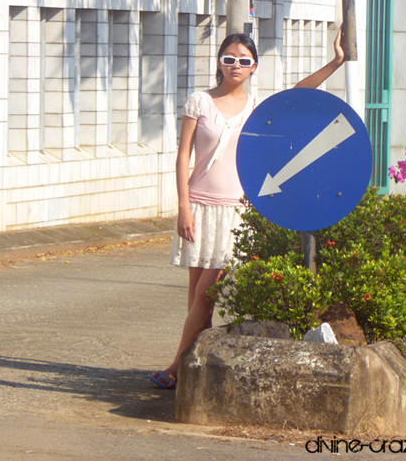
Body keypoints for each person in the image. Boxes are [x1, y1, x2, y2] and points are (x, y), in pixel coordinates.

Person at [148, 27, 345, 388]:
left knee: (206, 295)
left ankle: (176, 367)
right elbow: (182, 157)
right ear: (219, 63)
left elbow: (296, 94)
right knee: (196, 299)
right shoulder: (199, 102)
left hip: (234, 214)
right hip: (199, 209)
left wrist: (336, 62)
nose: (235, 65)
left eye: (243, 60)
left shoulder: (257, 109)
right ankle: (195, 371)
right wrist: (183, 207)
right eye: (229, 59)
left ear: (254, 67)